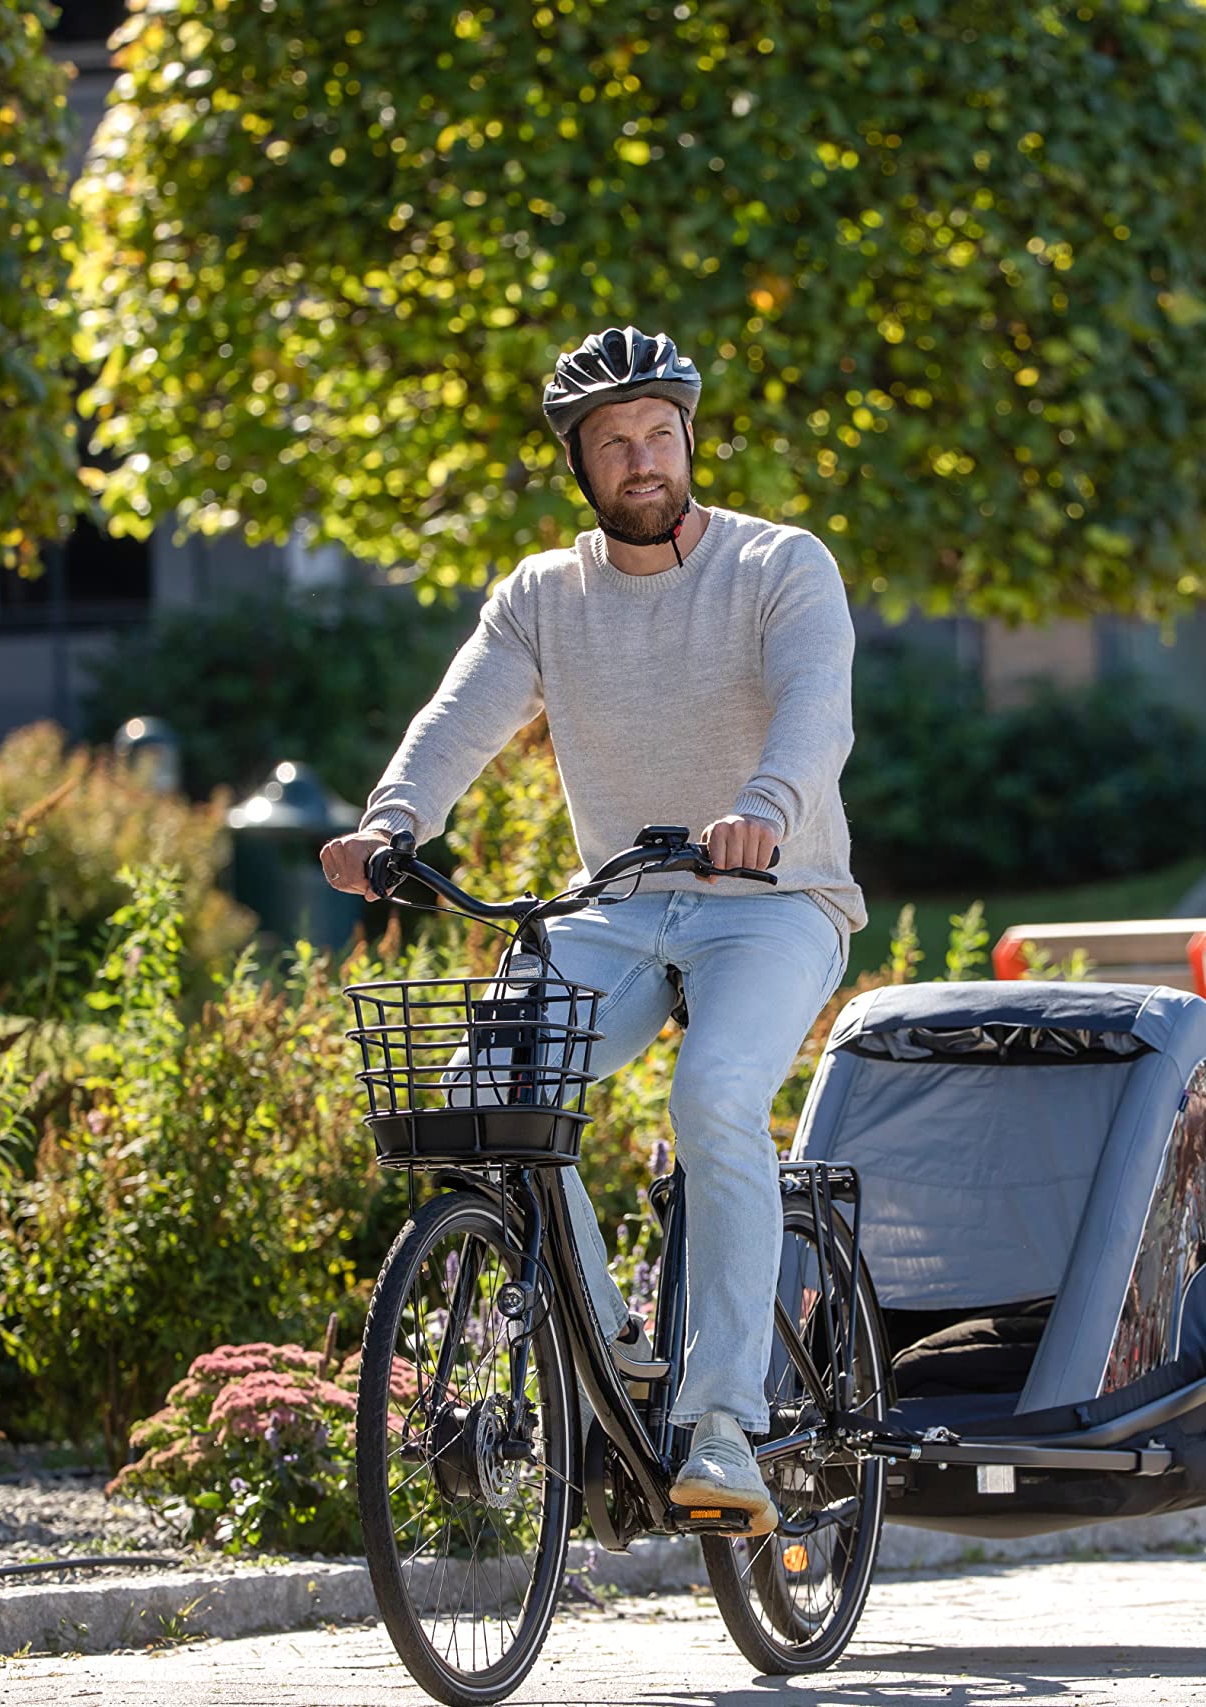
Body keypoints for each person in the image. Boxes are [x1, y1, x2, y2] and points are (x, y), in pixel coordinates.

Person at [319, 327, 862, 1536]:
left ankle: (722, 1425)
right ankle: (616, 1350)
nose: (642, 458)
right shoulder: (543, 598)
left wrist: (764, 814)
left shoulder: (781, 566)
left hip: (773, 902)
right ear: (579, 462)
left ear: (688, 436)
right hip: (616, 908)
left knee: (715, 1098)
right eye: (614, 441)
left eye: (660, 432)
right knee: (483, 1091)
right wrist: (391, 821)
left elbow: (815, 711)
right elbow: (459, 713)